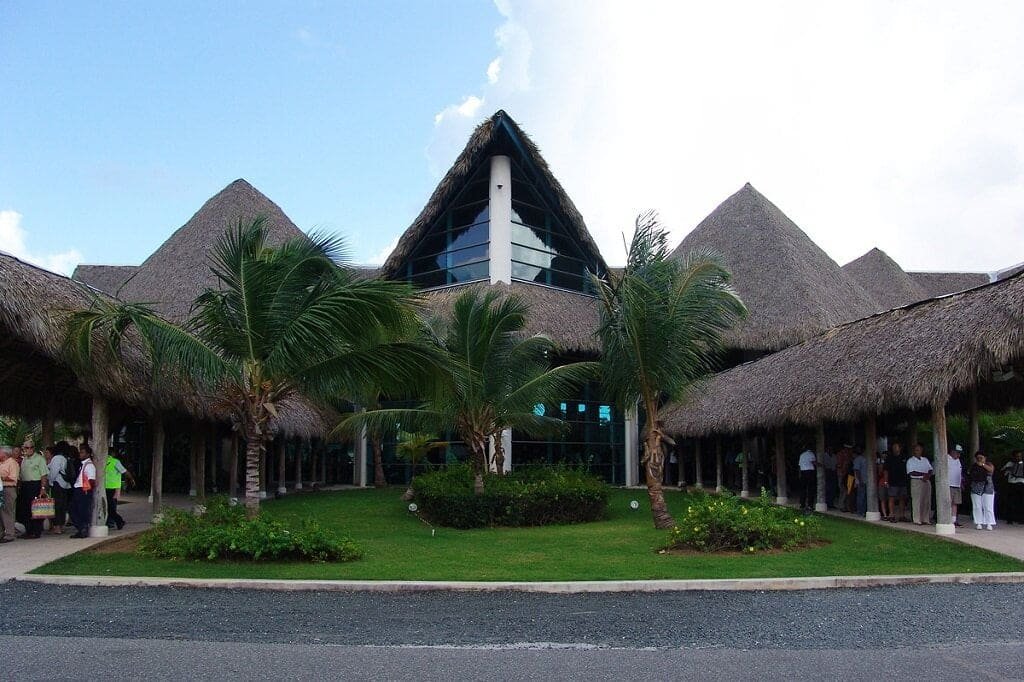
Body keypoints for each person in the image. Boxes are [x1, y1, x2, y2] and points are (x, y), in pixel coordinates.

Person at [17, 444, 48, 539]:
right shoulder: (24, 459)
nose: (29, 449)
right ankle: (28, 530)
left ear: (34, 448)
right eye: (26, 448)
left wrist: (42, 488)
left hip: (35, 484)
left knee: (36, 509)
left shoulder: (40, 459)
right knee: (25, 509)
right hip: (25, 485)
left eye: (31, 447)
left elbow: (44, 474)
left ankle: (36, 531)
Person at [69, 443, 97, 539]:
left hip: (83, 490)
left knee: (82, 510)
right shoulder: (83, 464)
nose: (80, 454)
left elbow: (92, 480)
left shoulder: (89, 465)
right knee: (74, 510)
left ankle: (83, 528)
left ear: (88, 454)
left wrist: (87, 489)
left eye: (82, 452)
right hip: (79, 489)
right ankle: (81, 528)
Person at [46, 443, 74, 534]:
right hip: (65, 485)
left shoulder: (57, 458)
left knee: (57, 507)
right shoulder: (66, 458)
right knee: (63, 506)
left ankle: (57, 527)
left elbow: (53, 472)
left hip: (57, 484)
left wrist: (50, 481)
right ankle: (61, 526)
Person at [105, 450, 135, 531]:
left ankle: (114, 521)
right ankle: (118, 521)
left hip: (105, 487)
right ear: (112, 453)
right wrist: (131, 479)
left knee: (108, 507)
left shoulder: (102, 460)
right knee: (111, 507)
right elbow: (125, 471)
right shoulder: (115, 461)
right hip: (114, 488)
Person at [968, 451, 996, 531]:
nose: (979, 459)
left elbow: (991, 470)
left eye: (981, 458)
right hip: (976, 487)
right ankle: (978, 522)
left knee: (988, 506)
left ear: (985, 458)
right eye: (978, 458)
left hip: (988, 488)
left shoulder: (989, 464)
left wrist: (983, 465)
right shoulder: (974, 466)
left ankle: (989, 523)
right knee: (977, 506)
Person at [906, 444, 933, 526]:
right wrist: (923, 474)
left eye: (920, 450)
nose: (918, 451)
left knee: (926, 500)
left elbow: (930, 469)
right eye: (917, 450)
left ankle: (925, 518)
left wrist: (927, 475)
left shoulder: (925, 460)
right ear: (914, 451)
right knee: (917, 500)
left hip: (926, 481)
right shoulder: (910, 460)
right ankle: (917, 519)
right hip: (916, 481)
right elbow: (911, 472)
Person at [0, 446, 20, 542]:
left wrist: (2, 478)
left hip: (8, 489)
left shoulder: (12, 463)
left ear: (5, 454)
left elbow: (13, 477)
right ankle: (2, 533)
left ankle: (9, 534)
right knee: (1, 512)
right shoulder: (1, 463)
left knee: (8, 511)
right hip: (1, 489)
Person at [887, 442, 909, 522]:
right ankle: (891, 515)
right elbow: (886, 470)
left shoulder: (904, 457)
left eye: (896, 447)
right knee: (891, 497)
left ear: (900, 448)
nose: (894, 449)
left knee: (902, 498)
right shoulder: (889, 458)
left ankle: (902, 515)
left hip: (903, 481)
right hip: (892, 481)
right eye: (893, 447)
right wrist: (886, 481)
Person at [1000, 450, 1024, 524]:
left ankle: (1021, 519)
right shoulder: (1010, 463)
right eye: (1017, 456)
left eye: (1020, 456)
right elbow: (1002, 471)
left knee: (1021, 502)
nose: (1018, 458)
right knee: (1010, 502)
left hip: (1021, 483)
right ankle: (1010, 519)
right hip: (1012, 483)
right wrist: (1008, 469)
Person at [947, 444, 964, 527]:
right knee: (948, 503)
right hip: (949, 484)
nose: (959, 455)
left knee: (955, 503)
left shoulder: (958, 460)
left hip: (957, 485)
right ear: (952, 452)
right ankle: (947, 519)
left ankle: (954, 520)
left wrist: (961, 483)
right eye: (957, 453)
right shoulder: (946, 459)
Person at [798, 445, 816, 512]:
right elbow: (813, 462)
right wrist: (821, 465)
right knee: (811, 489)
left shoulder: (802, 455)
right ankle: (810, 505)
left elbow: (799, 466)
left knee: (803, 489)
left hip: (803, 472)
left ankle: (802, 504)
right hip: (810, 472)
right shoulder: (811, 454)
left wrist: (799, 474)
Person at [851, 447, 868, 516]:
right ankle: (859, 512)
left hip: (867, 481)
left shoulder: (866, 459)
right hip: (861, 481)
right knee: (861, 496)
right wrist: (860, 480)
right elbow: (857, 470)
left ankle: (864, 511)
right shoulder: (858, 459)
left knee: (865, 497)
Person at [877, 450, 891, 520]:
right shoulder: (881, 464)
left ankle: (889, 514)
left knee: (889, 499)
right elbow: (880, 474)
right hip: (882, 483)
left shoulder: (891, 464)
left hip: (890, 483)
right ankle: (884, 514)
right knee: (883, 499)